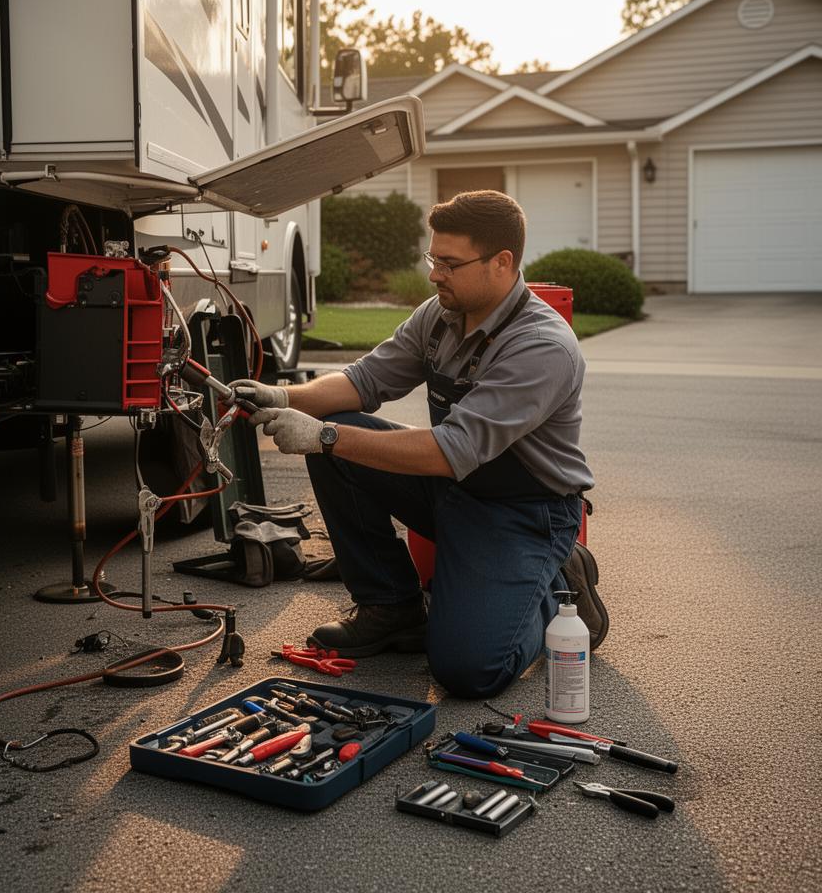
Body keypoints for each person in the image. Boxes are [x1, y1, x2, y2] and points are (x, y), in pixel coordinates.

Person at [230, 190, 607, 699]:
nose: (435, 274)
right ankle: (392, 608)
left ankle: (560, 587)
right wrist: (283, 394)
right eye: (433, 259)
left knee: (469, 671)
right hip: (451, 487)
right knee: (339, 428)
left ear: (502, 263)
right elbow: (365, 381)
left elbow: (449, 449)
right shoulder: (440, 315)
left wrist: (324, 436)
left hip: (521, 513)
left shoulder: (542, 345)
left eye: (449, 263)